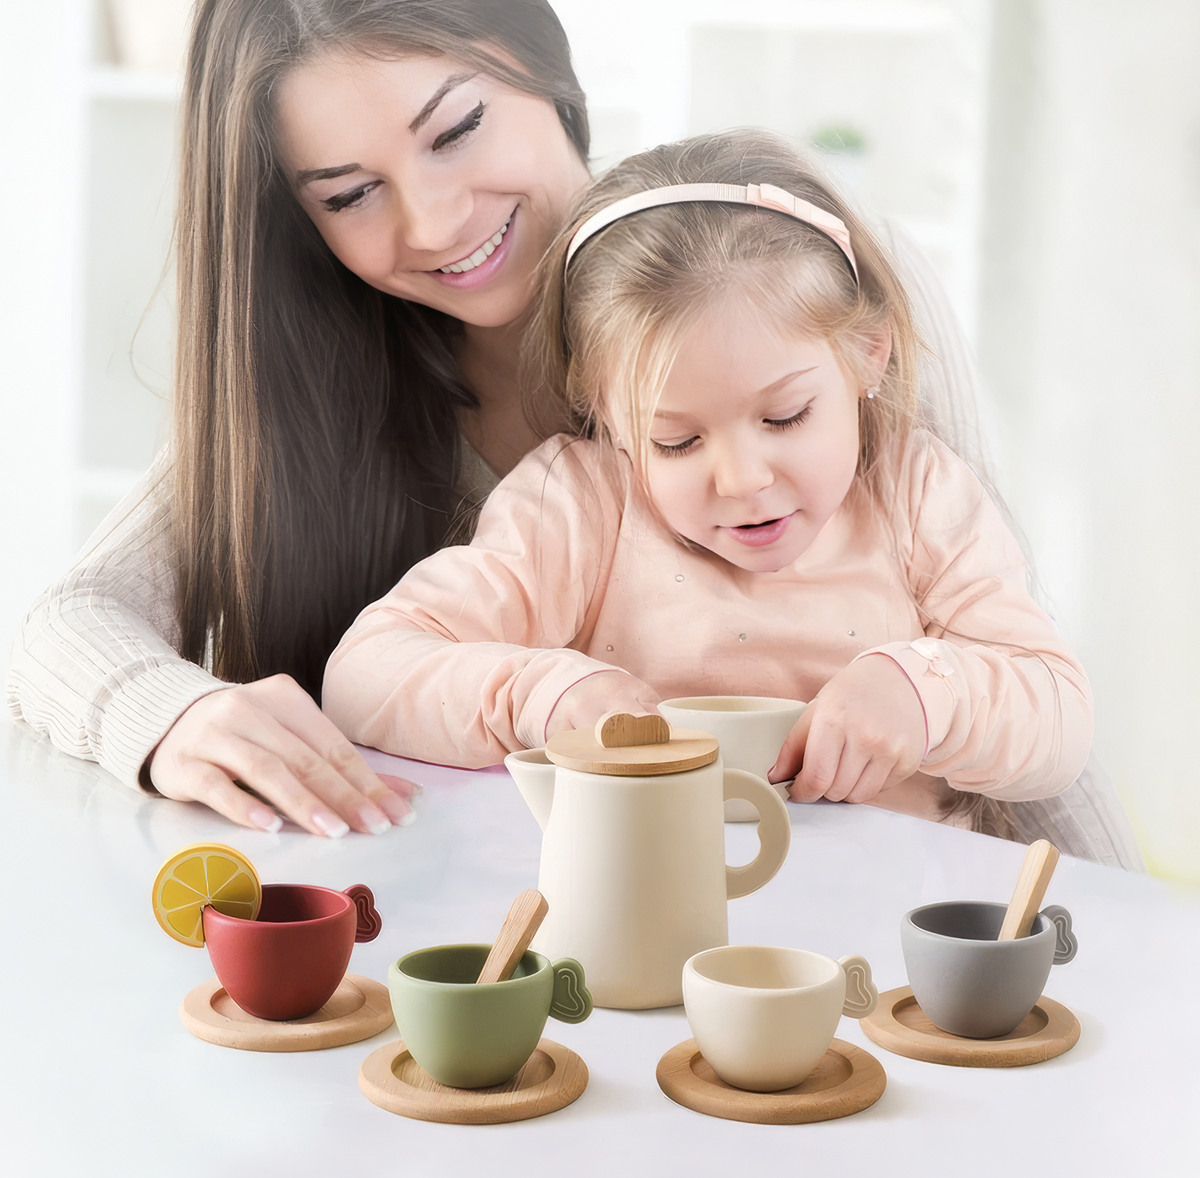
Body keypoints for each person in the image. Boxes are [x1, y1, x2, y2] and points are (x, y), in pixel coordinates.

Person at [4, 1, 1051, 846]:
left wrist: (1100, 963)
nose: (435, 221)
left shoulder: (800, 271)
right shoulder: (339, 400)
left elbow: (1031, 692)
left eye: (456, 129)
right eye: (352, 193)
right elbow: (65, 625)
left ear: (542, 65)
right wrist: (177, 714)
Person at [322, 130, 1113, 846]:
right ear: (608, 412)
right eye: (678, 440)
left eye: (786, 416)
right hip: (654, 924)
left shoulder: (915, 490)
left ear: (869, 354)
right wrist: (544, 693)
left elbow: (1060, 723)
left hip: (893, 939)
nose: (741, 480)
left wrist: (924, 692)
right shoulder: (581, 504)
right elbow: (362, 678)